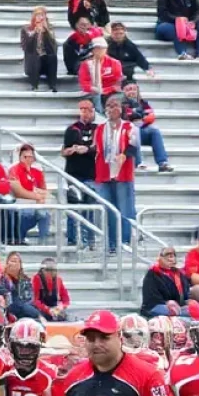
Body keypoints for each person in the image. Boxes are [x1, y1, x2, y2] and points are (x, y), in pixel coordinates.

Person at [94, 95, 137, 253]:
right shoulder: (99, 128)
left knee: (124, 210)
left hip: (122, 174)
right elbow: (97, 149)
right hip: (104, 173)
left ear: (122, 109)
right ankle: (111, 244)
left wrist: (124, 155)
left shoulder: (129, 127)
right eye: (109, 106)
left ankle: (125, 243)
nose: (112, 108)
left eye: (116, 105)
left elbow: (133, 146)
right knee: (109, 210)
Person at [60, 98, 98, 248]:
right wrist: (71, 150)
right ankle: (72, 239)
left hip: (91, 173)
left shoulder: (97, 129)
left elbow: (98, 148)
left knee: (90, 207)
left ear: (93, 110)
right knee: (74, 206)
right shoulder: (71, 129)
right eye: (82, 109)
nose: (85, 113)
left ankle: (90, 239)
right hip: (73, 174)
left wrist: (87, 149)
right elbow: (64, 150)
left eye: (88, 109)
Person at [120, 81, 172, 172]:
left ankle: (163, 163)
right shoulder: (120, 104)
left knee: (154, 131)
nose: (131, 92)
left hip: (141, 130)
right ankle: (138, 162)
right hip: (125, 136)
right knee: (134, 129)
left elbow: (151, 117)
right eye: (128, 90)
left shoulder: (144, 103)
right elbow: (126, 117)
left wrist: (139, 117)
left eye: (134, 89)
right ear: (123, 92)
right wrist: (140, 115)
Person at [140, 246, 191, 318]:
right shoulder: (153, 273)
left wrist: (188, 300)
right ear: (160, 258)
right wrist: (167, 302)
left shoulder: (178, 274)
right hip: (155, 305)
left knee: (194, 309)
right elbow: (151, 297)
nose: (170, 257)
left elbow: (185, 294)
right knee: (174, 311)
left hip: (177, 305)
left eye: (172, 255)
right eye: (167, 255)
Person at [78, 36, 124, 113]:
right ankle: (100, 117)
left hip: (111, 91)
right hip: (93, 92)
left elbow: (118, 82)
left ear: (106, 50)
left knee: (117, 98)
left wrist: (105, 90)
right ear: (92, 50)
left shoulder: (115, 63)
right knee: (96, 95)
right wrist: (96, 89)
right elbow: (84, 83)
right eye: (96, 48)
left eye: (101, 48)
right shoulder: (86, 64)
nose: (99, 51)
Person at [20, 7, 58, 92]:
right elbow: (26, 47)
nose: (40, 17)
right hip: (32, 63)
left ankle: (53, 85)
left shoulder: (50, 28)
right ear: (33, 17)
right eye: (38, 15)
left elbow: (54, 48)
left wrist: (46, 32)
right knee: (36, 57)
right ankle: (34, 86)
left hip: (45, 63)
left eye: (42, 15)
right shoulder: (26, 29)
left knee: (53, 57)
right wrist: (35, 33)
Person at [1, 251, 39, 320]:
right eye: (11, 261)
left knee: (30, 310)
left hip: (23, 309)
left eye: (15, 261)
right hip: (7, 307)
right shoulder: (2, 278)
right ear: (7, 263)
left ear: (20, 265)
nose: (13, 264)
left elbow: (28, 300)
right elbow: (5, 296)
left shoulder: (26, 280)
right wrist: (6, 276)